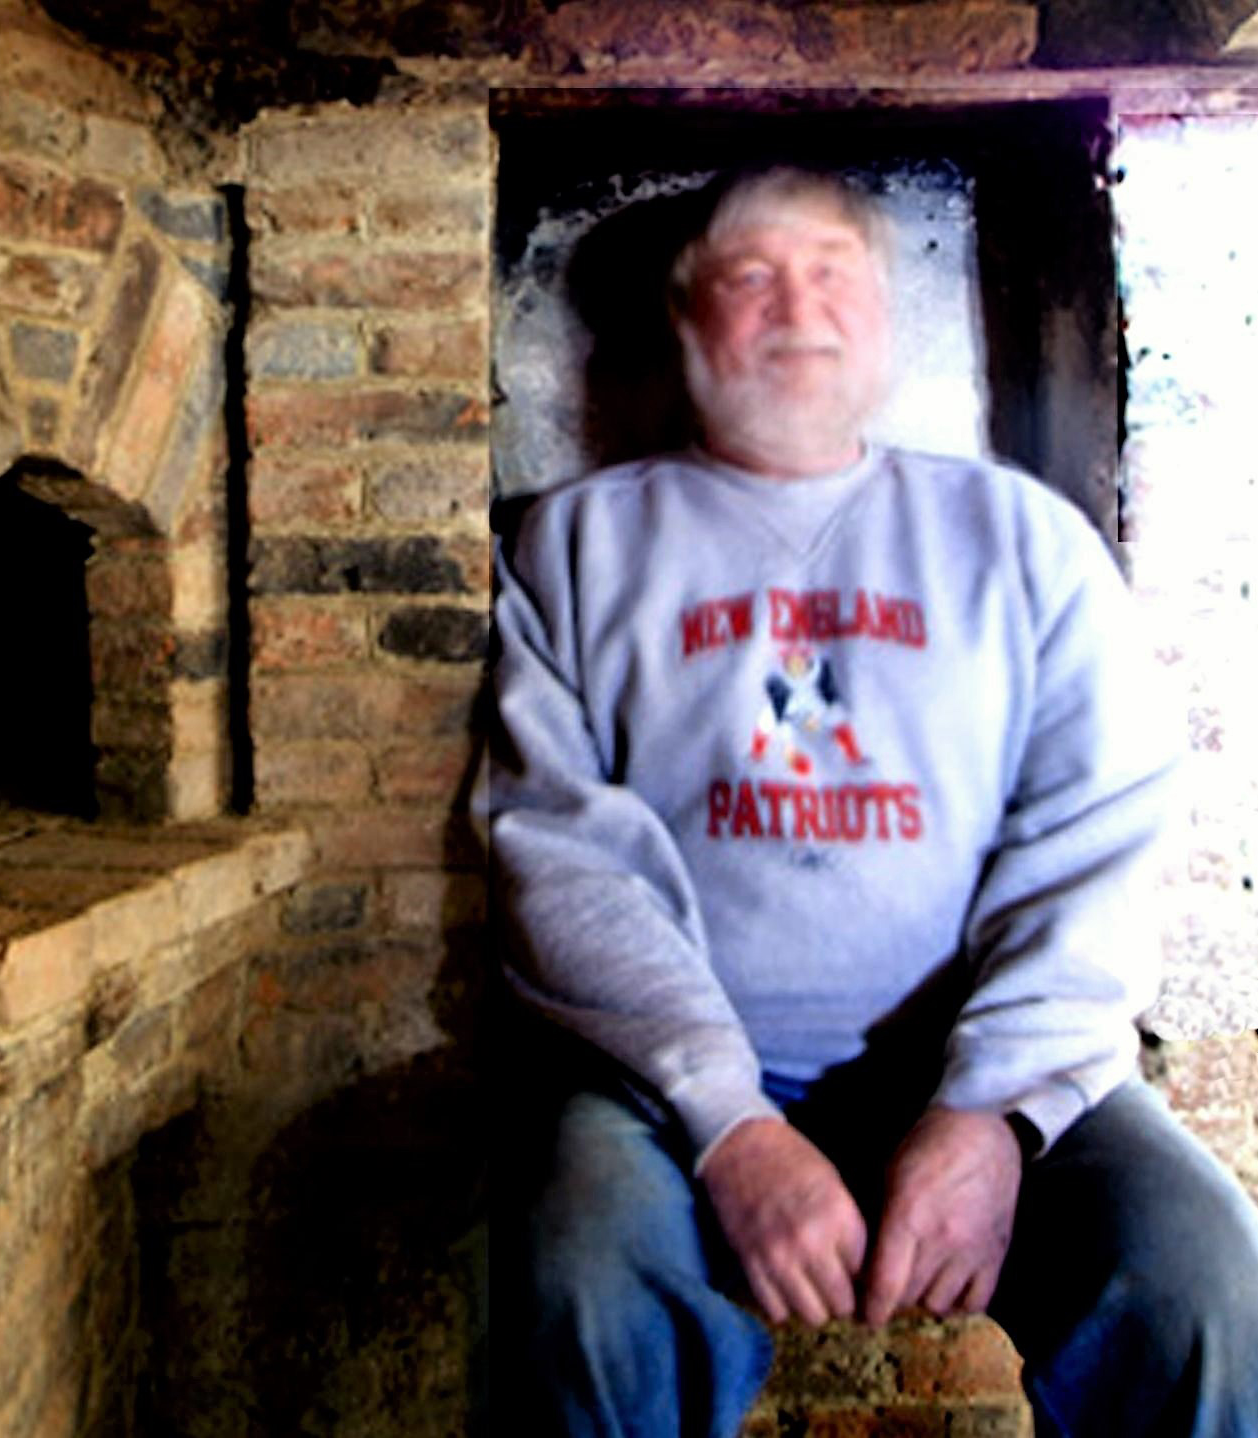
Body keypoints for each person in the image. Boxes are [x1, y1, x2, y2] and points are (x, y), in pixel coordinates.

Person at [486, 167, 1258, 1438]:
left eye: (832, 272)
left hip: (990, 1074)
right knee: (578, 1275)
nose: (799, 308)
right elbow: (562, 858)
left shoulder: (1023, 541)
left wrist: (993, 1110)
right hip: (673, 1092)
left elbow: (1104, 837)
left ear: (887, 324)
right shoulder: (575, 550)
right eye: (751, 277)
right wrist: (727, 1120)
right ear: (688, 326)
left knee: (1207, 1281)